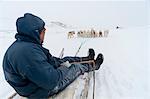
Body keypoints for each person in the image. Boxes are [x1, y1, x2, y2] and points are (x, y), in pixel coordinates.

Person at [3, 13, 104, 98]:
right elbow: (51, 81)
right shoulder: (28, 54)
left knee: (65, 59)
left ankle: (86, 59)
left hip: (34, 82)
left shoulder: (25, 45)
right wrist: (64, 67)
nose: (44, 34)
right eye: (43, 31)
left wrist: (60, 62)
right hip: (41, 91)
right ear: (36, 32)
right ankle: (93, 65)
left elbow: (42, 62)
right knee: (74, 68)